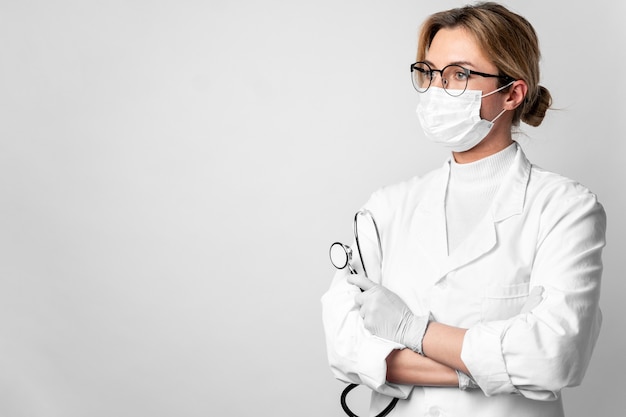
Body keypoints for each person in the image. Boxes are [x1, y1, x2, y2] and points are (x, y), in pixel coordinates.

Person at [321, 2, 606, 417]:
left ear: (512, 92)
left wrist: (408, 330)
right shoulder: (386, 208)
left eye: (459, 74)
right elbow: (344, 346)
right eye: (429, 72)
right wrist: (479, 368)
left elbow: (554, 357)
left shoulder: (565, 209)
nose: (437, 89)